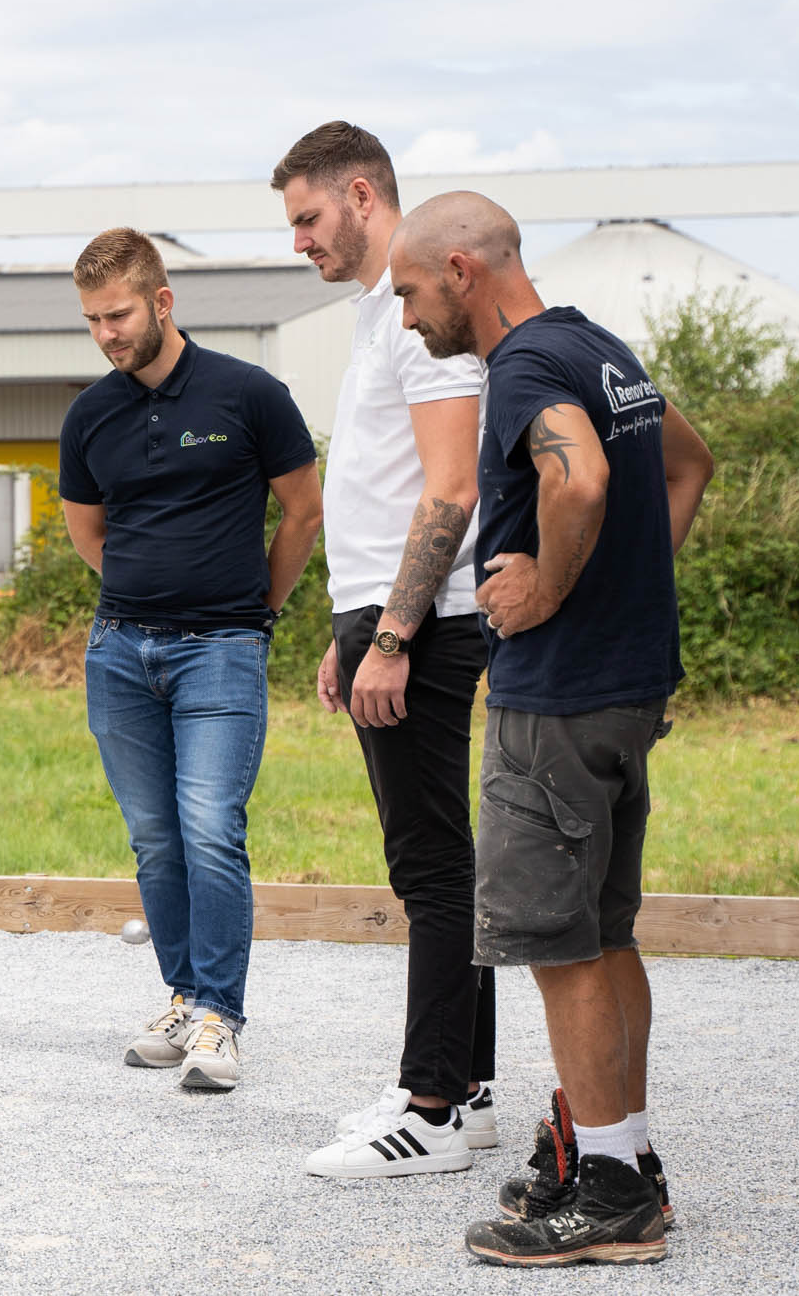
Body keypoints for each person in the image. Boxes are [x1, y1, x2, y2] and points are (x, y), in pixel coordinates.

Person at [388, 191, 714, 1267]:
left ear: (460, 271)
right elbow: (687, 463)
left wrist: (552, 590)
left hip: (557, 700)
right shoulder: (598, 346)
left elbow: (578, 479)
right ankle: (623, 1155)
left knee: (556, 945)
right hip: (625, 691)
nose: (404, 317)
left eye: (408, 291)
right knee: (605, 934)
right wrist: (624, 593)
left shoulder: (524, 367)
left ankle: (612, 1193)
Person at [269, 121, 497, 1179]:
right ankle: (474, 1090)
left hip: (426, 620)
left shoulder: (415, 318)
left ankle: (431, 1106)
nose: (300, 241)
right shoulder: (376, 316)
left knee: (430, 867)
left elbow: (450, 485)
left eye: (308, 218)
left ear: (360, 195)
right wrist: (344, 626)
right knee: (443, 863)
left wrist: (394, 632)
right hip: (381, 615)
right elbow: (375, 491)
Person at [59, 227, 323, 1092]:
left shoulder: (249, 395)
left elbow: (304, 511)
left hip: (222, 651)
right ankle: (181, 993)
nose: (107, 332)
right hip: (120, 652)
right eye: (93, 318)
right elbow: (88, 531)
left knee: (212, 829)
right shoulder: (89, 414)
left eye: (120, 314)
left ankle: (221, 1015)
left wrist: (257, 611)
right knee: (155, 838)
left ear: (163, 302)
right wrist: (146, 595)